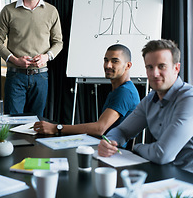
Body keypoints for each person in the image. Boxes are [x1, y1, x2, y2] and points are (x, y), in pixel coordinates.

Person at [98, 40, 193, 173]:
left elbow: (162, 154)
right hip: (164, 172)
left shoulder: (189, 99)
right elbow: (122, 130)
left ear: (176, 68)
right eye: (149, 67)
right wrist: (109, 142)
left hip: (187, 178)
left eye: (162, 66)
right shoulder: (150, 99)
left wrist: (136, 148)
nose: (154, 73)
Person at [0, 0, 63, 117]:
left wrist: (46, 57)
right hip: (15, 76)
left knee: (36, 123)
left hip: (41, 76)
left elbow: (58, 42)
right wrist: (14, 60)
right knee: (12, 122)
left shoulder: (51, 11)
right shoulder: (8, 11)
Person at [33, 44, 140, 137]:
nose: (108, 65)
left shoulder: (125, 92)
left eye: (115, 61)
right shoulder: (119, 89)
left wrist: (57, 128)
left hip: (111, 152)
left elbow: (99, 129)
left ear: (128, 65)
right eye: (106, 60)